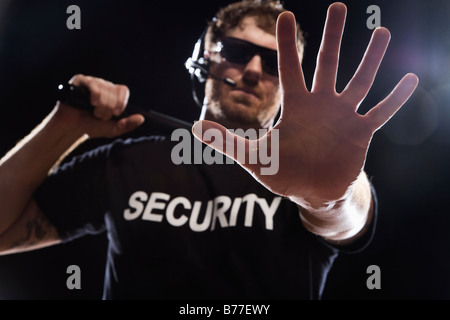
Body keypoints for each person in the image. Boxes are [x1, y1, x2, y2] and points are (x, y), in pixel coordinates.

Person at [0, 0, 418, 300]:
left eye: (274, 63)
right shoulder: (129, 162)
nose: (253, 71)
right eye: (237, 52)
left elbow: (345, 219)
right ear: (203, 60)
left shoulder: (300, 175)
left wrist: (332, 195)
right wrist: (64, 126)